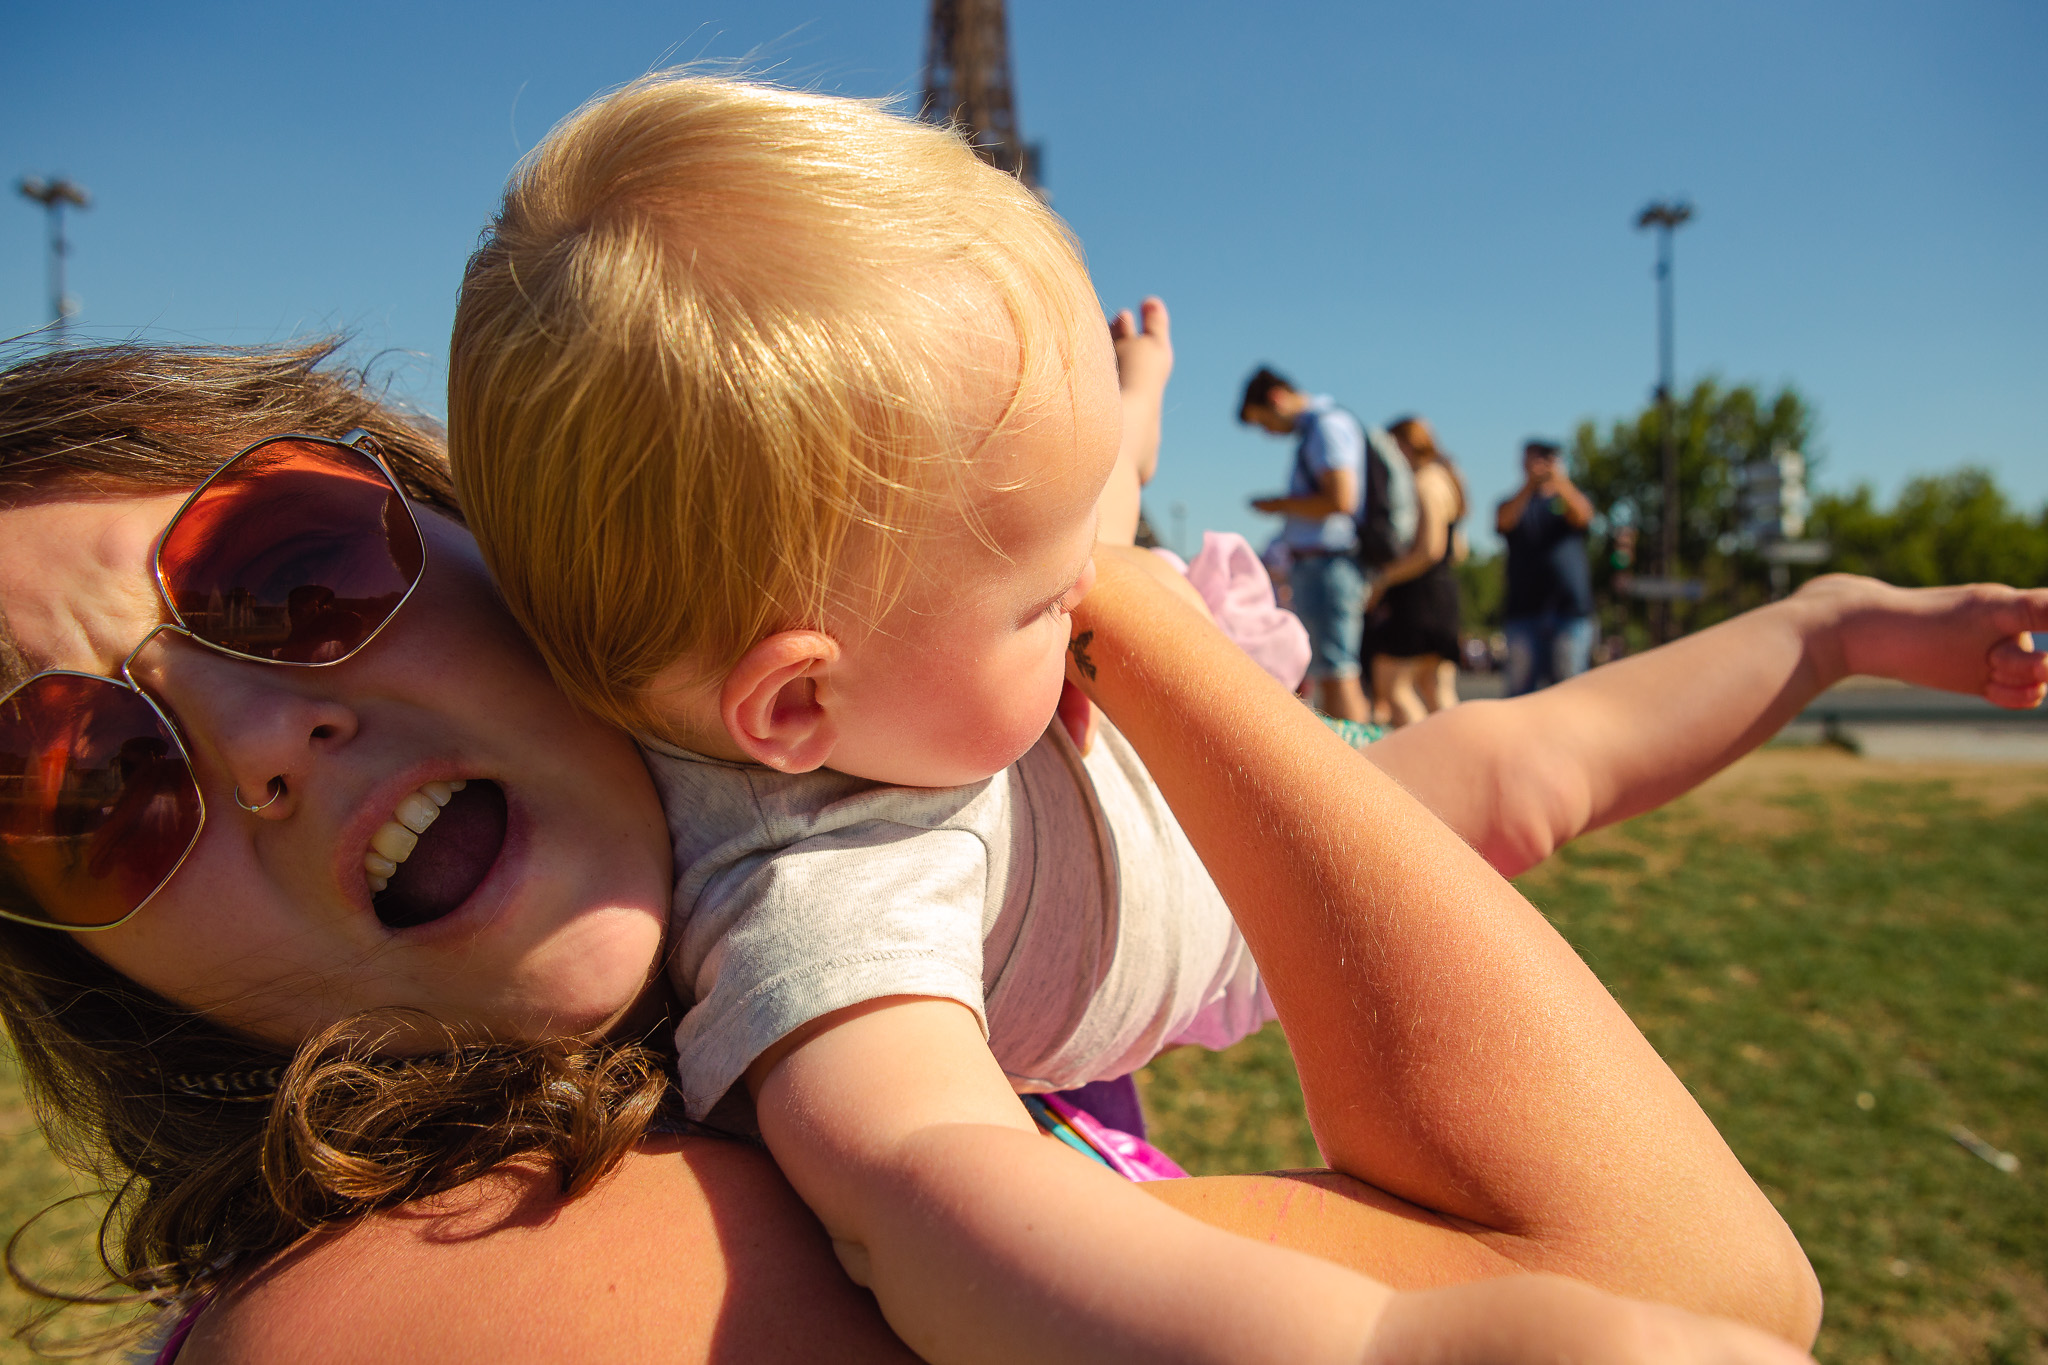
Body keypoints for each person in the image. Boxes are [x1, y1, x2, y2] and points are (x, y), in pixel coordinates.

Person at [10, 342, 2048, 1361]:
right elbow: (1685, 1286)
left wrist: (1065, 551)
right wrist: (1108, 587)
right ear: (94, 966)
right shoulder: (452, 1298)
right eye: (81, 781)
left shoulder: (799, 923)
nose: (270, 739)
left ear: (484, 515)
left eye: (271, 569)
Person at [446, 76, 1801, 1361]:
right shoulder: (817, 905)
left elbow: (1070, 513)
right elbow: (943, 1197)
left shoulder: (893, 622)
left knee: (1531, 760)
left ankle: (1828, 632)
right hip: (1244, 910)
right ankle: (1822, 636)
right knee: (1524, 773)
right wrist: (1374, 1340)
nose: (1101, 578)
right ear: (800, 700)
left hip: (1202, 802)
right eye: (1044, 604)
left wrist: (1131, 407)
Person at [1240, 368, 1371, 723]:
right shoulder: (1321, 428)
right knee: (1332, 672)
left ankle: (1357, 771)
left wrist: (1281, 504)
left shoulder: (1325, 427)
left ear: (1277, 398)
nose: (1269, 433)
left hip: (1327, 563)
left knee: (1338, 673)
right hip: (1321, 564)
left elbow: (1342, 498)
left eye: (1264, 422)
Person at [1367, 415, 1468, 725]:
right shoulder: (1446, 481)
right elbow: (1457, 551)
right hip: (1443, 594)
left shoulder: (1424, 482)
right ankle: (1460, 761)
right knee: (1437, 689)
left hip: (1418, 598)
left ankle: (1423, 767)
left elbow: (1429, 549)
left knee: (1393, 689)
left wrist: (1382, 579)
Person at [1498, 438, 1597, 694]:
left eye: (1546, 457)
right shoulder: (1516, 503)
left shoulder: (1568, 500)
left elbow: (1584, 515)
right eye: (1534, 457)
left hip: (1570, 609)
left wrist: (1559, 480)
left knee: (1571, 688)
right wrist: (1529, 485)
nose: (1539, 464)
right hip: (1524, 610)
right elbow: (1504, 522)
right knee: (1520, 691)